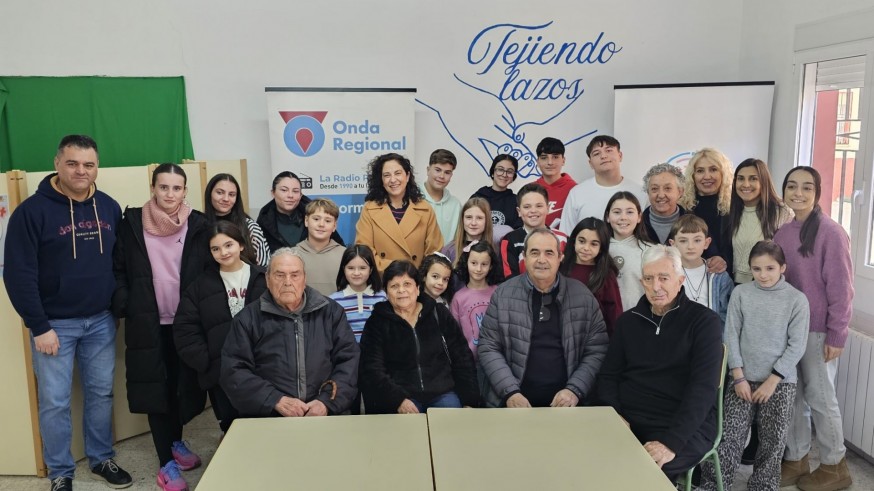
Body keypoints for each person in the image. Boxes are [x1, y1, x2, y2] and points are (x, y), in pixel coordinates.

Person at [3, 135, 132, 491]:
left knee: (101, 393)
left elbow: (118, 265)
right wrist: (39, 325)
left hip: (101, 322)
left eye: (88, 165)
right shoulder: (31, 212)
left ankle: (101, 457)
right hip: (54, 325)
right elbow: (17, 274)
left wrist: (116, 308)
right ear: (57, 163)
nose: (81, 171)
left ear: (96, 168)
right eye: (73, 163)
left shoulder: (108, 207)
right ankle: (61, 471)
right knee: (56, 402)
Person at [113, 163, 210, 491]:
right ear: (153, 187)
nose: (170, 194)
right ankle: (164, 463)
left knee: (181, 386)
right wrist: (127, 303)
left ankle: (175, 444)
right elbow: (119, 268)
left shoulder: (198, 224)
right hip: (148, 323)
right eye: (164, 187)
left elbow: (208, 272)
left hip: (185, 323)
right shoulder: (132, 222)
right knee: (156, 389)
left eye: (177, 188)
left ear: (185, 191)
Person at [597, 245, 723, 482]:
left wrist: (670, 442)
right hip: (630, 419)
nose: (656, 287)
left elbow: (703, 390)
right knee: (589, 459)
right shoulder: (628, 322)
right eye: (649, 278)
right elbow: (608, 376)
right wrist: (614, 415)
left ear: (680, 279)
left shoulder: (705, 322)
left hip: (683, 425)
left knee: (640, 473)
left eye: (664, 278)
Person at [700, 241, 809, 491]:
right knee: (729, 438)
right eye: (756, 269)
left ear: (783, 267)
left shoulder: (796, 300)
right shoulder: (741, 294)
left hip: (779, 383)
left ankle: (764, 485)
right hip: (742, 380)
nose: (763, 275)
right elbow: (731, 335)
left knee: (773, 441)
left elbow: (797, 345)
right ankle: (714, 484)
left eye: (770, 268)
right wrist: (738, 376)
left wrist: (773, 381)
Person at [775, 166, 854, 491]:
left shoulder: (831, 232)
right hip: (789, 331)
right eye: (792, 186)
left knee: (821, 398)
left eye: (807, 187)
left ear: (817, 193)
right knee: (794, 399)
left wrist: (837, 333)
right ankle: (797, 459)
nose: (798, 193)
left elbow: (841, 287)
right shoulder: (783, 233)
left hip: (818, 331)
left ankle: (835, 465)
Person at [220, 248, 360, 417]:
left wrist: (326, 402)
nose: (288, 282)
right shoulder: (248, 319)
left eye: (295, 275)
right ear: (267, 279)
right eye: (280, 275)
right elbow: (234, 371)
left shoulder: (331, 312)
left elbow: (349, 361)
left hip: (324, 415)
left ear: (304, 278)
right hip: (269, 416)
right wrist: (275, 400)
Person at [479, 228, 608, 408]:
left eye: (549, 253)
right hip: (514, 403)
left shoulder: (583, 296)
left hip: (568, 406)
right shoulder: (503, 294)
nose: (542, 260)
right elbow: (488, 346)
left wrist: (574, 390)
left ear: (560, 257)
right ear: (524, 256)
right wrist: (510, 392)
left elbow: (597, 349)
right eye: (534, 252)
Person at [173, 221, 267, 436]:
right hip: (221, 375)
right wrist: (207, 362)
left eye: (228, 245)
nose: (223, 252)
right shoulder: (199, 286)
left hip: (265, 371)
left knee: (264, 428)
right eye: (215, 248)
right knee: (232, 429)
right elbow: (185, 330)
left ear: (241, 245)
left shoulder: (265, 279)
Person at [359, 260, 481, 414]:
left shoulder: (439, 314)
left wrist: (469, 400)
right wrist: (397, 399)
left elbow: (462, 357)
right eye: (394, 286)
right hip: (401, 397)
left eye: (407, 284)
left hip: (443, 393)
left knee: (453, 429)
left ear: (417, 288)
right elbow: (371, 368)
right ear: (386, 292)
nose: (401, 290)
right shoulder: (377, 322)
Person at [356, 153, 444, 273]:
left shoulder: (425, 210)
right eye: (387, 175)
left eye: (398, 173)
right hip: (382, 282)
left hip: (414, 284)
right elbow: (364, 252)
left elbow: (434, 253)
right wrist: (393, 271)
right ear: (381, 180)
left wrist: (414, 277)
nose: (393, 180)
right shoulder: (369, 209)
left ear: (407, 176)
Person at [559, 135, 647, 235]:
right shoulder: (577, 193)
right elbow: (566, 235)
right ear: (590, 163)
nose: (603, 156)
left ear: (620, 155)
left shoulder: (640, 192)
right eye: (596, 153)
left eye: (609, 150)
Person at [728, 158, 793, 284]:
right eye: (741, 179)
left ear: (764, 181)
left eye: (753, 179)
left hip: (767, 286)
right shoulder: (731, 212)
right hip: (736, 287)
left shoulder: (781, 212)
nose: (746, 184)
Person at [559, 217, 623, 338]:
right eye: (582, 241)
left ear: (601, 248)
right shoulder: (560, 268)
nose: (586, 248)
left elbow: (614, 313)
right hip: (563, 336)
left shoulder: (606, 274)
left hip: (595, 339)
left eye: (594, 244)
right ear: (573, 241)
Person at [256, 171, 344, 252]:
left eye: (295, 191)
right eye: (284, 190)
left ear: (301, 195)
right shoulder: (264, 220)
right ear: (273, 193)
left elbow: (340, 249)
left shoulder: (314, 214)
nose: (290, 195)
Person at [667, 215, 733, 323]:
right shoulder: (668, 275)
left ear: (706, 243)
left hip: (710, 334)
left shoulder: (719, 277)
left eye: (697, 240)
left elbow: (727, 314)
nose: (690, 246)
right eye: (683, 241)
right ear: (673, 244)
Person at [678, 148, 733, 274]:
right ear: (692, 176)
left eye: (713, 170)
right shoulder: (682, 208)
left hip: (727, 278)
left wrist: (725, 260)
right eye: (700, 171)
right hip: (689, 277)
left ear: (723, 174)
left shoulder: (735, 207)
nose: (707, 176)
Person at [499, 183, 568, 279]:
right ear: (519, 211)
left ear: (547, 209)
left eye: (539, 206)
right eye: (527, 207)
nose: (533, 210)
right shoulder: (509, 241)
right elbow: (510, 280)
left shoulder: (563, 239)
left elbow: (567, 275)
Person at [450, 240, 503, 361]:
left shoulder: (498, 293)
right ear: (466, 263)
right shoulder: (458, 298)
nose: (478, 269)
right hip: (469, 361)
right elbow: (455, 334)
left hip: (497, 359)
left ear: (491, 266)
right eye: (474, 263)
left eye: (484, 264)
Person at [203, 173, 270, 267]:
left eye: (232, 194)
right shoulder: (200, 225)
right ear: (209, 193)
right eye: (220, 192)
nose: (226, 199)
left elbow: (265, 266)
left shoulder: (250, 227)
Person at [604, 191, 655, 311]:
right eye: (617, 212)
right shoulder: (598, 248)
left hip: (639, 319)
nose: (623, 217)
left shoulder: (651, 251)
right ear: (607, 216)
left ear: (639, 217)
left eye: (630, 212)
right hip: (603, 322)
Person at [329, 245, 386, 344]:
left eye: (362, 268)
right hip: (346, 355)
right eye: (351, 268)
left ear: (371, 269)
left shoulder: (382, 297)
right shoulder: (334, 301)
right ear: (344, 269)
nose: (356, 273)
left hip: (375, 355)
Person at [290, 198, 345, 296]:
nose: (321, 224)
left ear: (334, 226)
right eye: (316, 219)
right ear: (306, 221)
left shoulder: (345, 255)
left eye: (328, 221)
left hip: (336, 310)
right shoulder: (292, 255)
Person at [534, 137, 577, 230]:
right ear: (537, 162)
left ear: (563, 160)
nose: (550, 162)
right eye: (544, 158)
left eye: (555, 157)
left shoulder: (575, 190)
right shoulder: (530, 190)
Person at [419, 149, 462, 240]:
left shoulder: (456, 205)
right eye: (438, 170)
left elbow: (458, 241)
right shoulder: (412, 198)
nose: (442, 176)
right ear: (428, 170)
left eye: (447, 172)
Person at [471, 153, 522, 229]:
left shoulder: (517, 201)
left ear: (513, 176)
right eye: (500, 169)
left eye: (509, 171)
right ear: (493, 172)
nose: (504, 175)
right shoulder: (478, 197)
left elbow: (518, 230)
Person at [441, 197, 497, 265]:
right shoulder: (449, 250)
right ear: (462, 220)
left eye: (479, 218)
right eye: (469, 217)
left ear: (487, 221)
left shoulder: (495, 249)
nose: (473, 223)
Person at [641, 163, 686, 244]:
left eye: (667, 188)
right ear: (648, 192)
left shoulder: (695, 223)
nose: (661, 195)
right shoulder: (636, 224)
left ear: (680, 192)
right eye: (654, 189)